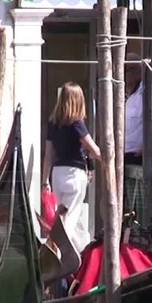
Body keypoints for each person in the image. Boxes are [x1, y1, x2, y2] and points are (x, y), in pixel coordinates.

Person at [42, 82, 102, 254]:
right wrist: (108, 161)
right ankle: (55, 256)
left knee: (65, 220)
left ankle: (78, 258)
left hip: (58, 175)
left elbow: (48, 155)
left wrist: (45, 180)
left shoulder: (53, 123)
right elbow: (94, 149)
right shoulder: (77, 123)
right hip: (75, 175)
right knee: (68, 222)